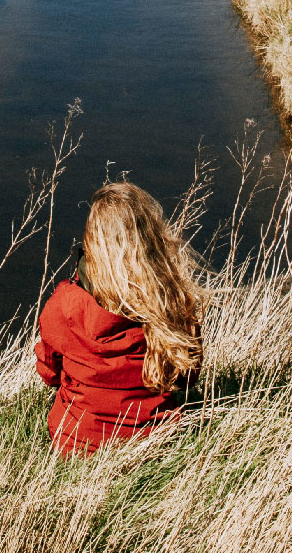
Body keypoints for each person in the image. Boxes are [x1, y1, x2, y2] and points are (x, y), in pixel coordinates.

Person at [34, 181, 205, 456]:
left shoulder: (65, 304)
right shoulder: (173, 303)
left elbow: (49, 371)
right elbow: (187, 377)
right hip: (154, 441)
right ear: (151, 239)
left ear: (93, 242)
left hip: (77, 443)